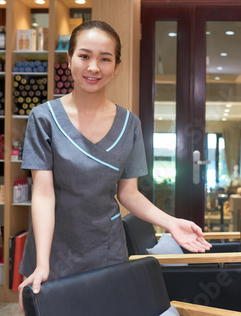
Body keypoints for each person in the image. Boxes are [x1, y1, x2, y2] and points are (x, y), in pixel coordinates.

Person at [18, 20, 211, 311]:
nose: (93, 67)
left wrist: (171, 223)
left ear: (116, 67)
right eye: (84, 55)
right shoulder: (43, 118)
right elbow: (43, 194)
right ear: (69, 59)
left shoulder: (129, 124)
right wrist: (42, 263)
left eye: (105, 58)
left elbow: (128, 193)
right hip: (53, 248)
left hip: (106, 249)